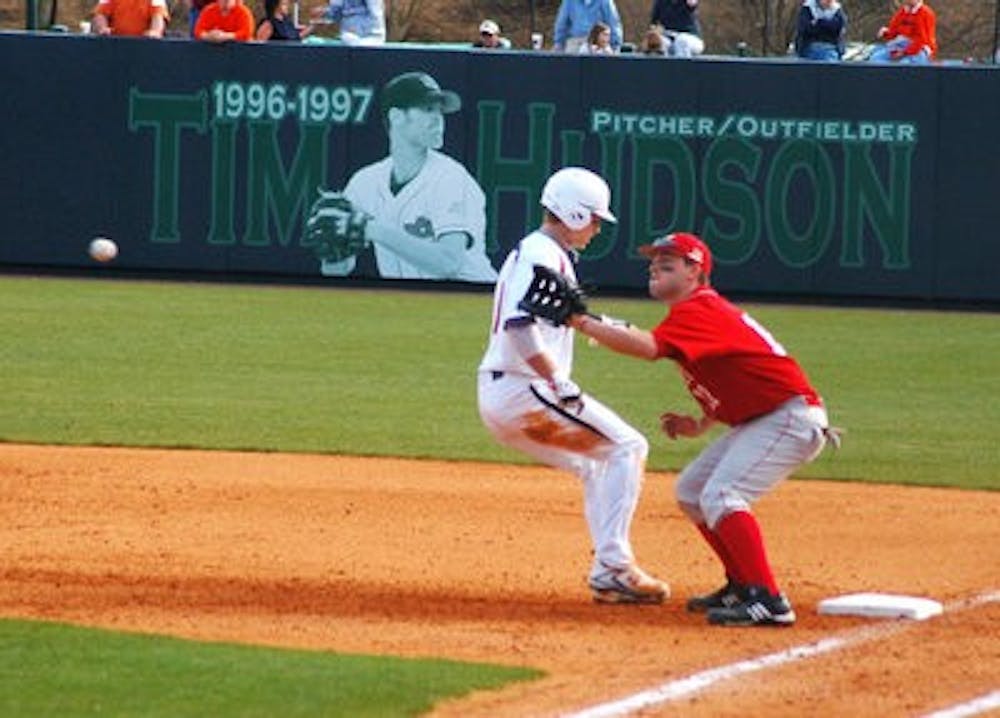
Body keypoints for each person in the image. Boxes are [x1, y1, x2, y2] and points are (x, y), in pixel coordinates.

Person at [556, 232, 837, 626]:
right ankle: (742, 584)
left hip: (789, 418)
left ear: (695, 271)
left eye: (668, 261)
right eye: (654, 260)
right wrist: (700, 422)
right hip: (768, 417)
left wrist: (579, 320)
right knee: (692, 491)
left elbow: (647, 347)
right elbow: (738, 374)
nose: (655, 265)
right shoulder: (695, 313)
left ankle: (768, 600)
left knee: (724, 494)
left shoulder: (699, 308)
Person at [477, 167, 670, 605]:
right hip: (523, 389)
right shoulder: (540, 254)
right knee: (628, 447)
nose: (598, 228)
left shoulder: (543, 252)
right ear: (575, 213)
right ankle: (617, 567)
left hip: (507, 391)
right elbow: (519, 327)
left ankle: (608, 570)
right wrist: (556, 378)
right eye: (596, 219)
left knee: (597, 465)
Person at [312, 72, 497, 282]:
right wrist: (332, 253)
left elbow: (449, 263)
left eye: (440, 111)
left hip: (475, 298)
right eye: (428, 109)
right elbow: (339, 271)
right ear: (396, 116)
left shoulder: (451, 179)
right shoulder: (365, 182)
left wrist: (371, 229)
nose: (438, 119)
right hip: (413, 304)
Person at [868, 0, 936, 64]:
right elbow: (893, 32)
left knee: (903, 65)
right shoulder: (902, 12)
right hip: (901, 45)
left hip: (919, 49)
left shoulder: (925, 13)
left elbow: (921, 39)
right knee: (875, 59)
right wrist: (885, 33)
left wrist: (904, 52)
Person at [553, 0, 623, 54]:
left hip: (598, 41)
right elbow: (562, 23)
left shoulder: (605, 1)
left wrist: (615, 45)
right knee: (570, 66)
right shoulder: (569, 1)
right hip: (576, 41)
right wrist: (559, 43)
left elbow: (613, 23)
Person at [310, 0, 386, 45]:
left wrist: (373, 35)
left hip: (369, 39)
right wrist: (323, 12)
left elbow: (376, 12)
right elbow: (335, 12)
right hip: (348, 39)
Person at [91, 0, 168, 37]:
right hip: (115, 45)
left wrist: (155, 31)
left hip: (144, 46)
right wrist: (102, 28)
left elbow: (158, 16)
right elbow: (100, 14)